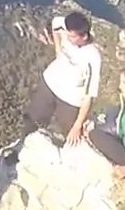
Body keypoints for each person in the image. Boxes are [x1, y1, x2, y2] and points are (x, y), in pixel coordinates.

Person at [23, 12, 103, 146]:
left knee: (71, 137)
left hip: (71, 99)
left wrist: (77, 126)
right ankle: (23, 148)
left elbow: (89, 95)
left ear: (84, 36)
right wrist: (58, 49)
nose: (67, 37)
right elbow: (55, 23)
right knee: (32, 120)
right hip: (50, 83)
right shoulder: (66, 26)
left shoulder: (93, 57)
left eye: (72, 36)